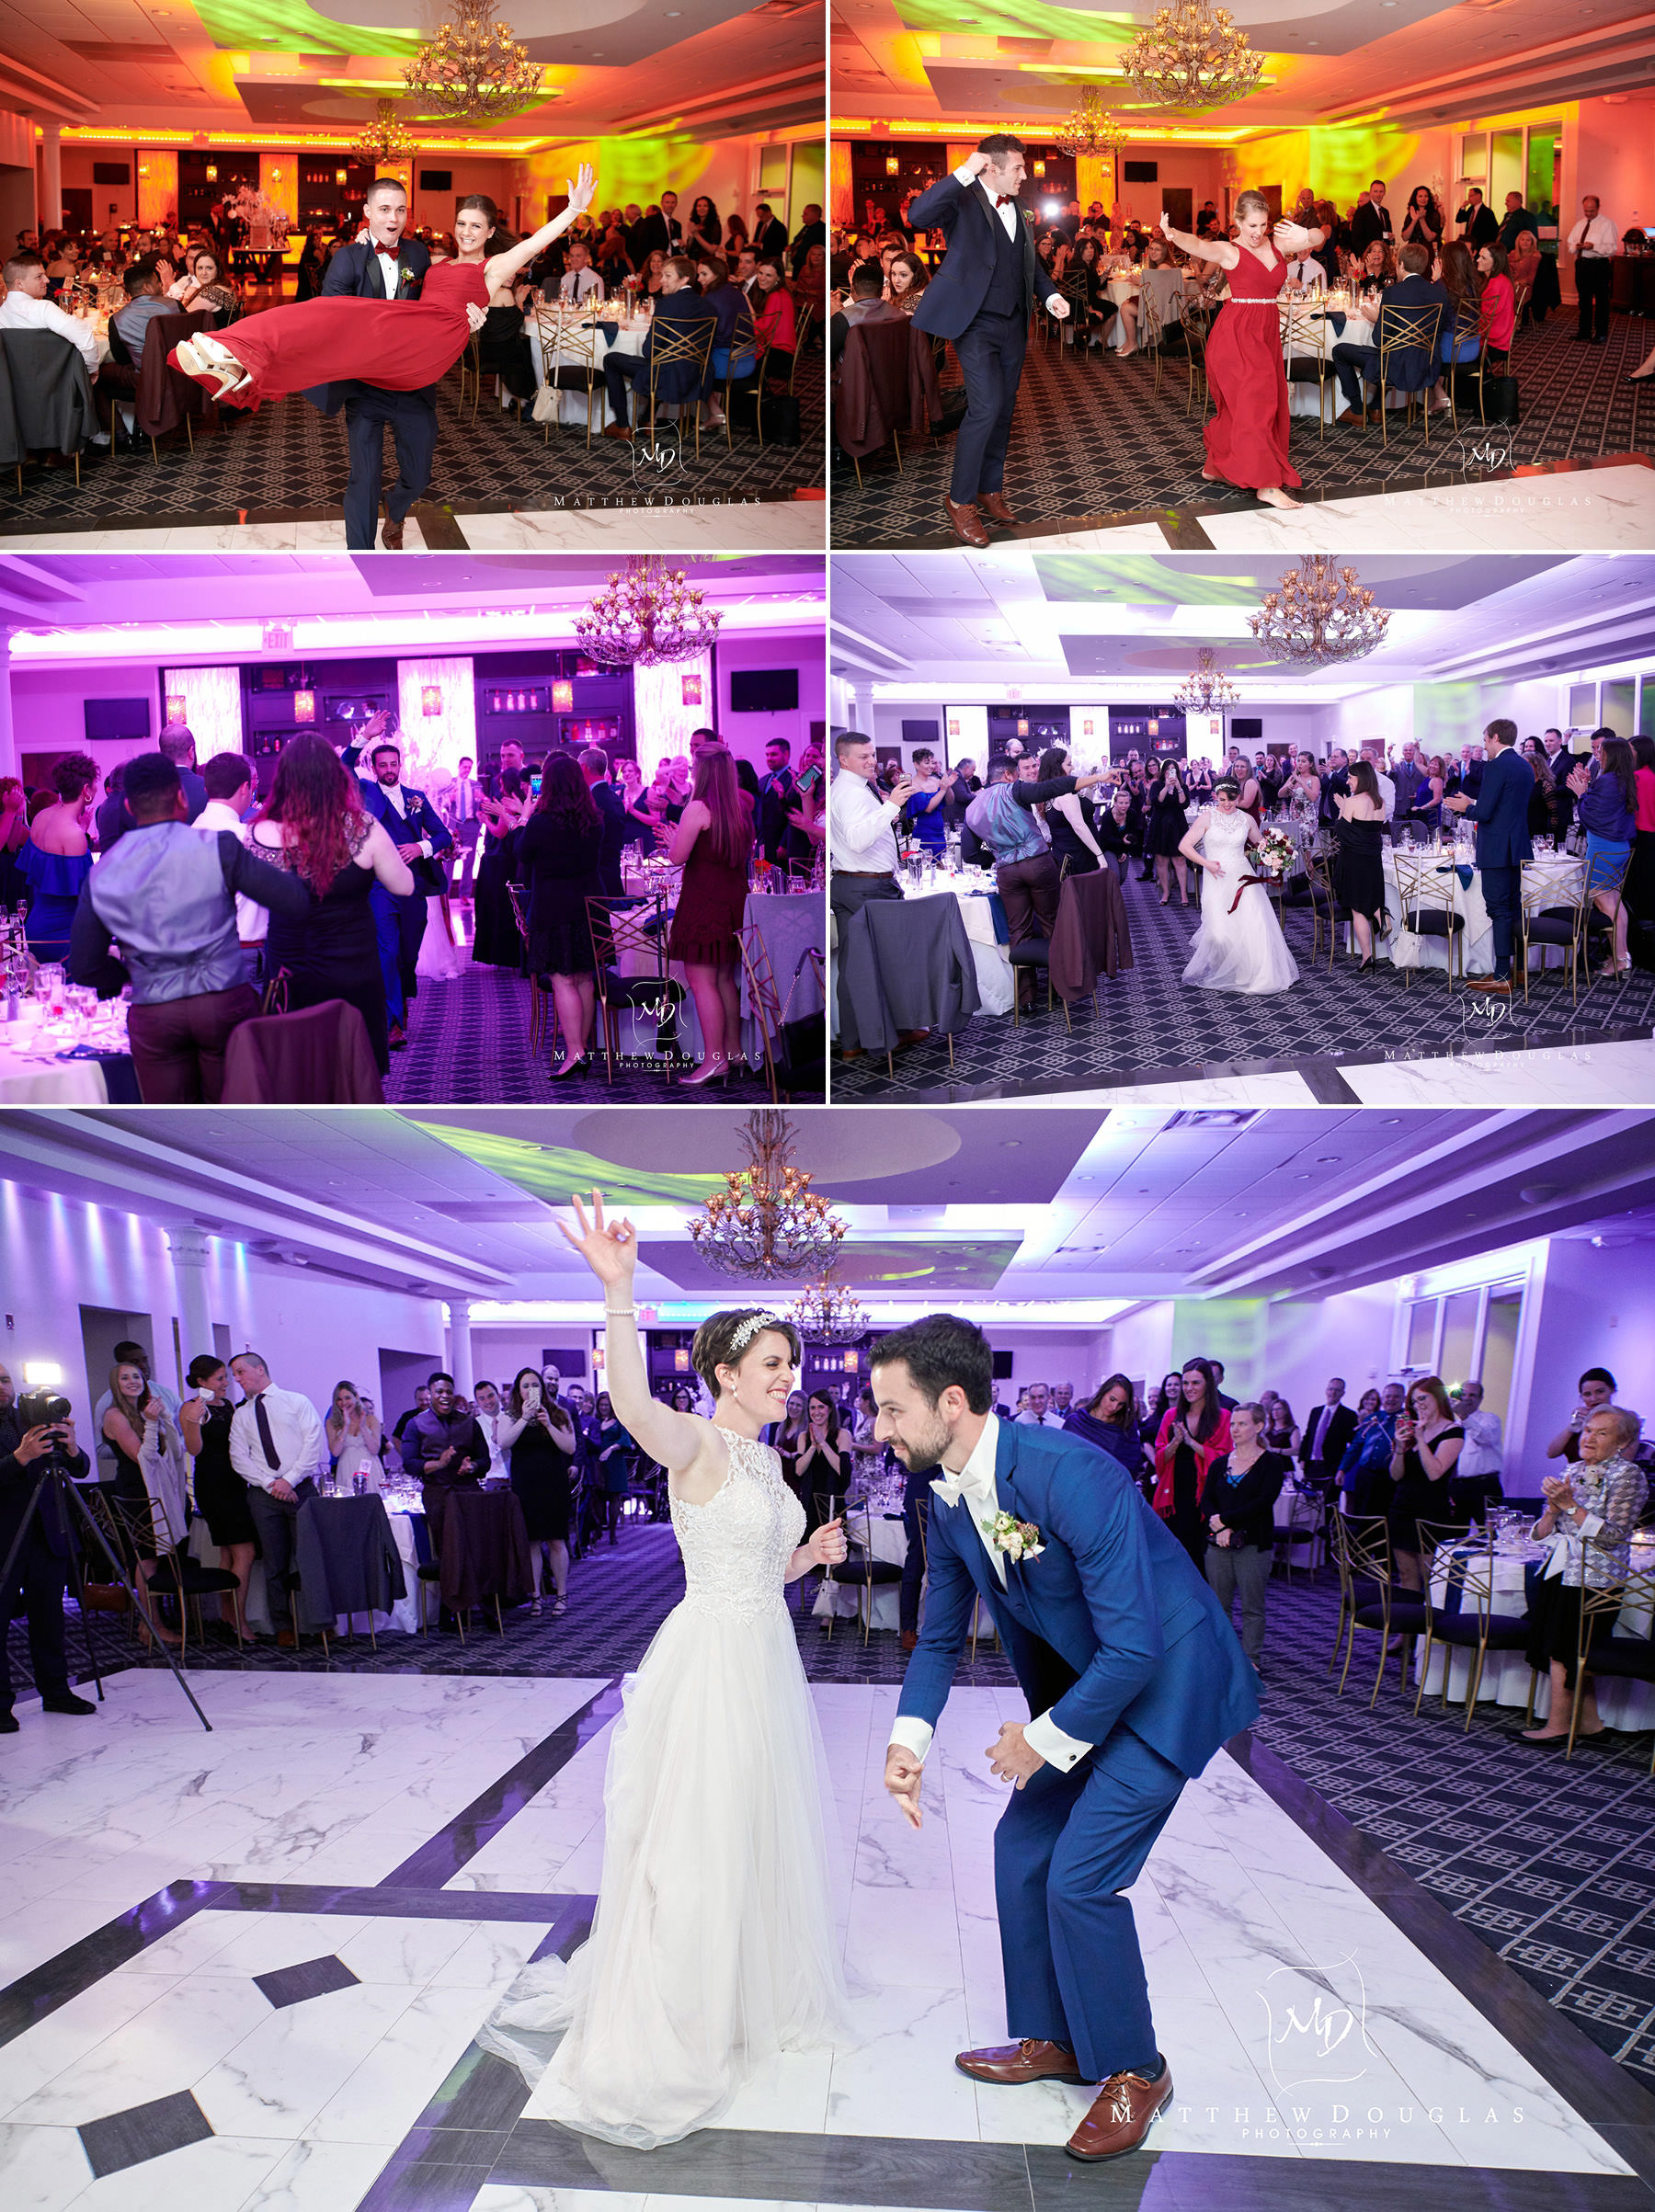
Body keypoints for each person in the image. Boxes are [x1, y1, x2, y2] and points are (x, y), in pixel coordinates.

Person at [481, 1192, 850, 2146]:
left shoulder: (769, 1467)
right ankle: (677, 2018)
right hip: (710, 1663)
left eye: (792, 1367)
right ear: (727, 1373)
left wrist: (808, 1559)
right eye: (773, 1366)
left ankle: (739, 2001)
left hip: (764, 1652)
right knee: (697, 1838)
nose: (789, 1380)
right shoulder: (694, 1440)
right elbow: (632, 1405)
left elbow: (760, 1563)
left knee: (753, 1828)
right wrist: (620, 1292)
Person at [872, 1314, 1259, 2163]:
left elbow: (1135, 1646)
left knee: (1080, 1881)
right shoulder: (944, 1499)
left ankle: (1135, 2069)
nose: (879, 1429)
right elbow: (938, 1638)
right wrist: (910, 1743)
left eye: (893, 1411)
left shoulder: (1075, 1475)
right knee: (1021, 1847)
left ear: (952, 1402)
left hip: (1164, 1689)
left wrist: (1042, 1742)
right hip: (1092, 1692)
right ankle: (1054, 2039)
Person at [180, 173, 593, 548]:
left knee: (418, 477)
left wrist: (572, 212)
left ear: (488, 231)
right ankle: (231, 350)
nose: (467, 232)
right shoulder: (432, 261)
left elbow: (531, 244)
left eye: (476, 226)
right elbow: (398, 269)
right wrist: (364, 243)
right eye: (462, 224)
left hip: (417, 369)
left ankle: (396, 512)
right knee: (326, 315)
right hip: (370, 376)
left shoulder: (489, 267)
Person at [67, 754, 312, 1102]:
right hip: (222, 1003)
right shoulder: (219, 847)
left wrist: (130, 972)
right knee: (236, 1112)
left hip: (154, 1012)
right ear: (181, 797)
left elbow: (84, 965)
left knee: (171, 1118)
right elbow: (294, 900)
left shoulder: (104, 872)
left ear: (130, 809)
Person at [905, 136, 1068, 547]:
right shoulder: (962, 198)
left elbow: (1028, 265)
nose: (1024, 174)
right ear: (991, 168)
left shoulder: (1020, 209)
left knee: (1005, 408)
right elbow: (918, 216)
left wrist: (1050, 295)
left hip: (1014, 324)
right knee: (985, 407)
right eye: (1017, 168)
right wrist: (964, 170)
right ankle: (960, 500)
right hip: (973, 322)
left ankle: (989, 488)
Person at [248, 733, 416, 1073]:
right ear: (335, 777)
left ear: (284, 779)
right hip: (351, 967)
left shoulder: (257, 833)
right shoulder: (363, 828)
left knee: (295, 1072)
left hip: (288, 970)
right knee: (354, 1070)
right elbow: (404, 886)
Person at [1159, 195, 1309, 509]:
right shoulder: (1230, 251)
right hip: (1236, 335)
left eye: (1264, 224)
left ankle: (1217, 465)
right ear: (1238, 222)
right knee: (1257, 402)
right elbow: (1198, 246)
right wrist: (1171, 233)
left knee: (1247, 404)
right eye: (1252, 225)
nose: (1258, 232)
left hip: (1265, 333)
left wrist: (1306, 237)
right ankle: (1266, 485)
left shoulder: (1276, 245)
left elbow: (1321, 234)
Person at [1521, 1407, 1648, 1743]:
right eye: (1588, 1430)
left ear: (1621, 1442)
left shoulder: (1629, 1475)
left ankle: (1558, 1726)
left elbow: (1614, 1536)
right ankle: (1591, 1724)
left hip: (1595, 1576)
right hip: (1559, 1568)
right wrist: (1551, 1511)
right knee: (1561, 1646)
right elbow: (1541, 1535)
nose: (1589, 1437)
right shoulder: (1571, 1469)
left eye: (1601, 1433)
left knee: (1567, 1647)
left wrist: (1570, 1507)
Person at [0, 1362, 97, 1731]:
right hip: (4, 1537)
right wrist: (20, 1458)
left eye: (6, 1379)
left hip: (46, 1532)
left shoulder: (33, 1417)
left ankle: (56, 1691)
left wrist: (71, 1448)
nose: (2, 1386)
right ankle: (0, 1705)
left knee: (49, 1617)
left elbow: (82, 1468)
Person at [664, 744, 755, 1087]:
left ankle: (714, 1060)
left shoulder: (698, 808)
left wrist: (674, 838)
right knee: (724, 980)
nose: (690, 773)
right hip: (734, 900)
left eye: (693, 768)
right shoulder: (740, 807)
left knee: (703, 983)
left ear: (703, 773)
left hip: (705, 900)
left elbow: (677, 857)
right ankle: (733, 1052)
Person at [227, 1351, 325, 1644]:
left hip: (302, 1489)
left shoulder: (296, 1402)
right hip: (264, 1495)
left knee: (311, 1558)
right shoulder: (242, 1413)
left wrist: (289, 1480)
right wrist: (272, 1484)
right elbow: (238, 1457)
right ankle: (283, 1625)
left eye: (241, 1372)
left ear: (260, 1369)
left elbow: (313, 1443)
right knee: (275, 1563)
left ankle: (320, 1622)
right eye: (234, 1374)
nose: (237, 1379)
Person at [1177, 776, 1299, 995]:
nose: (1226, 804)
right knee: (1218, 932)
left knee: (1253, 925)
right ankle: (1230, 966)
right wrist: (1207, 863)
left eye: (1231, 800)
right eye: (1222, 799)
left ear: (1238, 798)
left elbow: (1261, 845)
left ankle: (1253, 972)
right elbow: (1184, 846)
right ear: (1216, 796)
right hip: (1216, 878)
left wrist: (1280, 854)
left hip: (1243, 877)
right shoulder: (1207, 818)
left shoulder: (1246, 819)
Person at [1443, 718, 1532, 998]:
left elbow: (1486, 813)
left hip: (1496, 848)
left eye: (1484, 740)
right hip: (1516, 845)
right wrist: (1474, 804)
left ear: (1494, 737)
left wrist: (1465, 807)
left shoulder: (1495, 766)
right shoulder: (1524, 765)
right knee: (1512, 908)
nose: (1484, 745)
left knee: (1498, 910)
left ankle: (1503, 976)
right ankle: (1514, 970)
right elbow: (1506, 807)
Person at [1200, 1401, 1289, 1668]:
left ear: (1258, 1427)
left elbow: (1262, 1503)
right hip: (1219, 1543)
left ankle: (1250, 1658)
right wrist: (1221, 1528)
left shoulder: (1271, 1463)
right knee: (1219, 1605)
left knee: (1252, 1606)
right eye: (1232, 1424)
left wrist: (1224, 1521)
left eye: (1242, 1424)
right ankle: (1223, 1657)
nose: (1235, 1429)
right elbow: (1207, 1500)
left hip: (1253, 1544)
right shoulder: (1219, 1464)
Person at [599, 254, 716, 441]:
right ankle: (646, 420)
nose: (662, 280)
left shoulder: (667, 304)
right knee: (661, 361)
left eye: (668, 276)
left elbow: (649, 351)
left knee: (611, 359)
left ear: (684, 278)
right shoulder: (708, 305)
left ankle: (622, 425)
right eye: (662, 275)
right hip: (697, 374)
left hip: (668, 374)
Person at [500, 1369, 576, 1613]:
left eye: (535, 1385)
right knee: (531, 1542)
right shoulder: (509, 1416)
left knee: (556, 1540)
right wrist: (524, 1419)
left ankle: (561, 1594)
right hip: (526, 1485)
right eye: (525, 1386)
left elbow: (570, 1447)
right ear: (518, 1390)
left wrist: (548, 1424)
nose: (530, 1389)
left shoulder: (558, 1413)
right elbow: (504, 1443)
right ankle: (535, 1596)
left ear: (542, 1389)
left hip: (553, 1484)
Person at [1152, 1358, 1231, 1572]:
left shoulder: (1223, 1417)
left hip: (1207, 1494)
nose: (1189, 1388)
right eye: (1185, 1383)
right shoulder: (1171, 1416)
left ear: (1208, 1384)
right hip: (1176, 1491)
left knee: (1202, 1554)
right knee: (1176, 1550)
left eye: (1195, 1383)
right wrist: (1176, 1442)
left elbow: (1224, 1459)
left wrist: (1192, 1443)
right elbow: (1160, 1458)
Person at [1569, 735, 1638, 978]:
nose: (1598, 756)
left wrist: (1581, 793)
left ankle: (1620, 960)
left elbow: (1592, 817)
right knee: (1615, 903)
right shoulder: (1622, 779)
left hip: (1603, 848)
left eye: (1602, 752)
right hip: (1618, 848)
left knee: (1606, 905)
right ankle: (1622, 954)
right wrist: (1589, 786)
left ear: (1612, 756)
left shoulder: (1609, 781)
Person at [18, 752, 97, 962]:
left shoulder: (41, 817)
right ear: (85, 790)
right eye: (94, 784)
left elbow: (43, 874)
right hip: (63, 932)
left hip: (35, 927)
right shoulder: (74, 834)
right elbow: (83, 897)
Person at [1387, 1377, 1464, 1591]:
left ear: (1437, 1398)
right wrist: (1401, 1447)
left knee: (1431, 1576)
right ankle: (1408, 1621)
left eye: (1422, 1398)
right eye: (1413, 1401)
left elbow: (1435, 1473)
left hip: (1430, 1511)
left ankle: (1430, 1621)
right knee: (1405, 1573)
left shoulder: (1453, 1431)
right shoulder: (1412, 1429)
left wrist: (1420, 1439)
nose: (1417, 1405)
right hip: (1402, 1508)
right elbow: (1396, 1475)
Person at [1331, 758, 1387, 968]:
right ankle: (1381, 915)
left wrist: (1342, 808)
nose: (1348, 782)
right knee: (1370, 900)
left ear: (1361, 779)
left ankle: (1367, 956)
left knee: (1357, 908)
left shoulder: (1354, 802)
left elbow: (1342, 832)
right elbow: (1371, 833)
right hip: (1373, 860)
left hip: (1354, 861)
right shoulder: (1380, 802)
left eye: (1350, 777)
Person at [1063, 1374, 1145, 1488]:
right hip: (1075, 1489)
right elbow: (1064, 1460)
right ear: (1103, 1392)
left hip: (1109, 1493)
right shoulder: (1075, 1422)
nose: (1114, 1407)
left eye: (1121, 1404)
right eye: (1112, 1399)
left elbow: (1132, 1465)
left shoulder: (1126, 1427)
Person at [1567, 193, 1618, 344]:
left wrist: (1594, 246)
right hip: (1582, 264)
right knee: (1584, 300)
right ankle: (1584, 332)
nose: (1588, 214)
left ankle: (1601, 333)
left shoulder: (1607, 224)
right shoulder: (1580, 224)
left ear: (1598, 207)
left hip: (1599, 265)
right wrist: (1576, 246)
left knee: (1601, 301)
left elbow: (1612, 249)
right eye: (1586, 211)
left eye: (1591, 211)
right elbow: (1570, 243)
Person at [1300, 1377, 1357, 1494]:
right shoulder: (1315, 1411)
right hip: (1311, 1466)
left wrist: (1343, 1468)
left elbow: (1352, 1442)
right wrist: (1302, 1458)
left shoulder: (1349, 1415)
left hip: (1332, 1467)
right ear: (1326, 1391)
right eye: (1330, 1389)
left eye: (1337, 1390)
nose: (1333, 1393)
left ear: (1343, 1393)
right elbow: (1308, 1436)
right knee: (1308, 1505)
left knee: (1328, 1505)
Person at [325, 1381, 384, 1491]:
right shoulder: (331, 1423)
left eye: (347, 1398)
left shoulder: (371, 1420)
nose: (344, 1402)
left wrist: (363, 1427)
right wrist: (346, 1425)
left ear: (356, 1397)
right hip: (347, 1467)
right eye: (339, 1399)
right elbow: (335, 1452)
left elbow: (375, 1450)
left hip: (370, 1467)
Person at [1350, 180, 1394, 256]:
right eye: (1375, 191)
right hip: (1368, 256)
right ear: (1370, 193)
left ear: (1384, 193)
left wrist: (1391, 239)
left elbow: (1387, 234)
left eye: (1381, 191)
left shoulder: (1385, 212)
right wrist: (1365, 256)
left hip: (1383, 256)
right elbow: (1356, 238)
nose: (1378, 194)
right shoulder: (1362, 212)